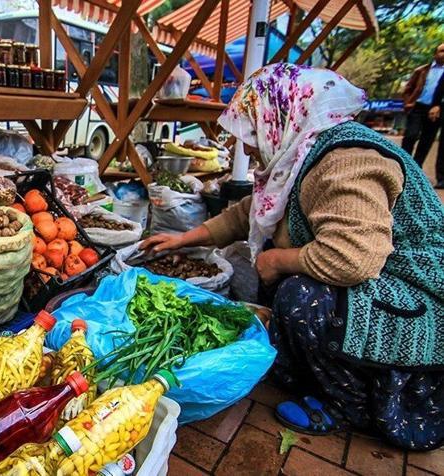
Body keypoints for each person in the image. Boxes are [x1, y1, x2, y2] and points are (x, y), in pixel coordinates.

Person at [141, 63, 444, 450]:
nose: (247, 147)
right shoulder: (304, 154)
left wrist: (280, 261)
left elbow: (353, 259)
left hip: (418, 303)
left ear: (280, 118)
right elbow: (247, 212)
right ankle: (313, 370)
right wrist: (184, 238)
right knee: (280, 268)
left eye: (251, 133)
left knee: (299, 292)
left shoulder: (347, 160)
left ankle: (349, 405)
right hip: (376, 289)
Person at [401, 43, 444, 188]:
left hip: (435, 111)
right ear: (435, 54)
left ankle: (415, 170)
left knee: (426, 141)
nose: (443, 54)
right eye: (441, 51)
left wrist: (439, 106)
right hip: (417, 107)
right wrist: (408, 102)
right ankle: (403, 164)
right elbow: (409, 88)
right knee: (410, 135)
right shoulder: (422, 70)